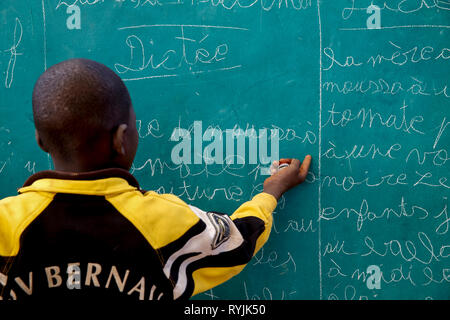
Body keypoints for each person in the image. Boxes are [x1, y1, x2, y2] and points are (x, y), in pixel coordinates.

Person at [0, 58, 311, 301]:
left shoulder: (6, 224)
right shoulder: (164, 220)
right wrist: (272, 191)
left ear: (41, 140)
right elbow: (240, 240)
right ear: (122, 139)